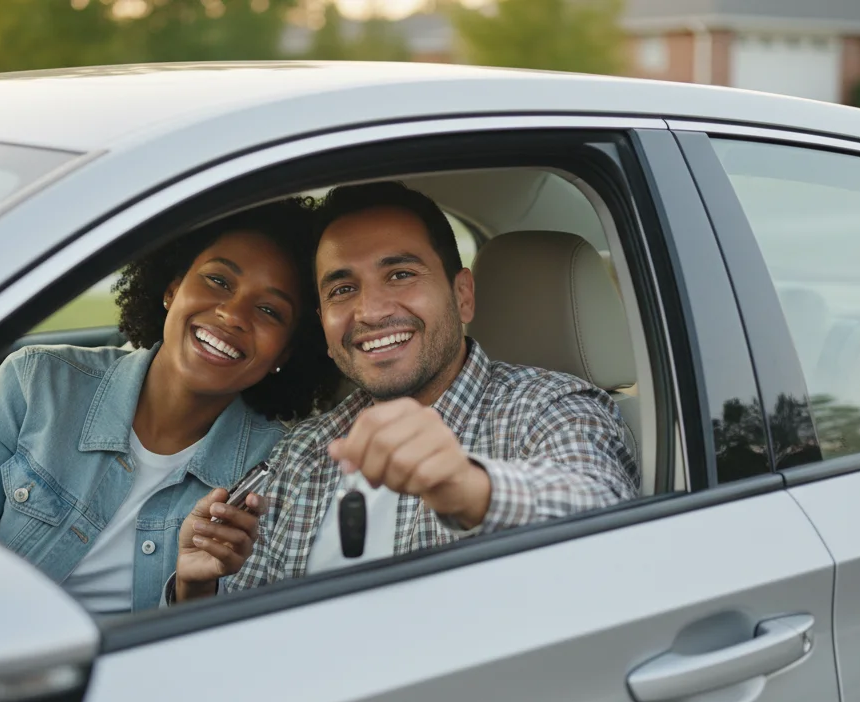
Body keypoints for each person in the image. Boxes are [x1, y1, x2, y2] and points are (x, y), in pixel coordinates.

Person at [168, 182, 640, 603]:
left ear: (462, 296)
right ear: (324, 328)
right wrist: (198, 590)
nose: (370, 311)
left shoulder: (551, 408)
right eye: (342, 289)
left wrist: (466, 486)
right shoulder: (304, 451)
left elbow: (606, 513)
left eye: (400, 275)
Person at [0, 197, 341, 614]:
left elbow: (229, 655)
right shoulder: (35, 384)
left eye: (269, 310)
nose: (232, 314)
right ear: (172, 289)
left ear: (286, 353)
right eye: (218, 281)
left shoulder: (281, 470)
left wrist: (195, 591)